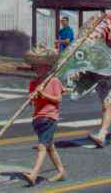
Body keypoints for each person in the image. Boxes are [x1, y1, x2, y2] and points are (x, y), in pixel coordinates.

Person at [23, 47, 66, 186]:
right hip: (38, 119)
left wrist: (43, 94)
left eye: (39, 66)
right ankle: (61, 172)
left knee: (42, 147)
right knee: (49, 147)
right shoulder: (33, 83)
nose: (36, 69)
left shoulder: (53, 81)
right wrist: (31, 97)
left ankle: (34, 174)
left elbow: (58, 99)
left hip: (49, 118)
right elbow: (32, 103)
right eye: (35, 66)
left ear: (47, 67)